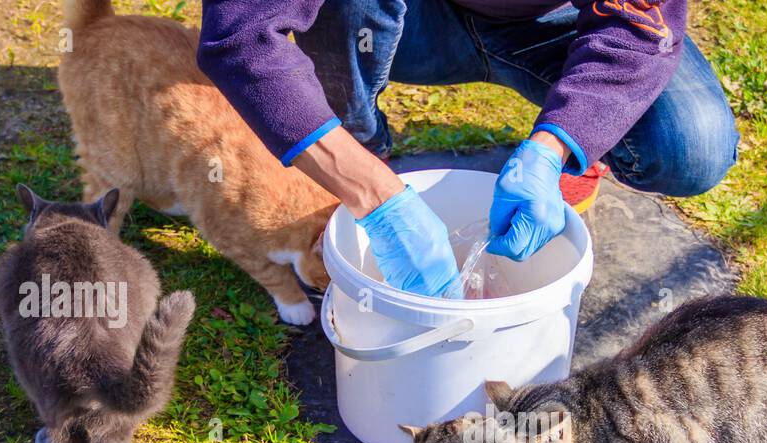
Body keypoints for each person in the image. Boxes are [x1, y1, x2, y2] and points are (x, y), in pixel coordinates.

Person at [198, 1, 739, 298]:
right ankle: (356, 153)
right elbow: (241, 36)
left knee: (691, 145)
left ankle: (579, 143)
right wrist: (375, 195)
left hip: (562, 23)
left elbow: (636, 30)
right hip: (409, 20)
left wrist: (556, 146)